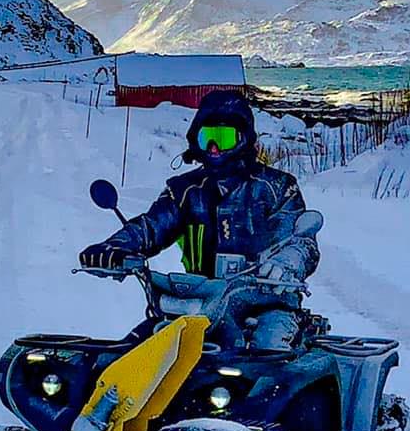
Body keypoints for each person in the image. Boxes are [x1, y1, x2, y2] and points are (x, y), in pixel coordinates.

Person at [80, 90, 318, 349]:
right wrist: (114, 248)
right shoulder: (185, 190)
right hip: (201, 302)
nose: (214, 148)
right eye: (207, 138)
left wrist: (284, 264)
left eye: (223, 138)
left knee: (268, 350)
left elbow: (301, 242)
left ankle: (278, 387)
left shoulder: (277, 187)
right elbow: (151, 226)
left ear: (243, 139)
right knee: (141, 347)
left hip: (266, 302)